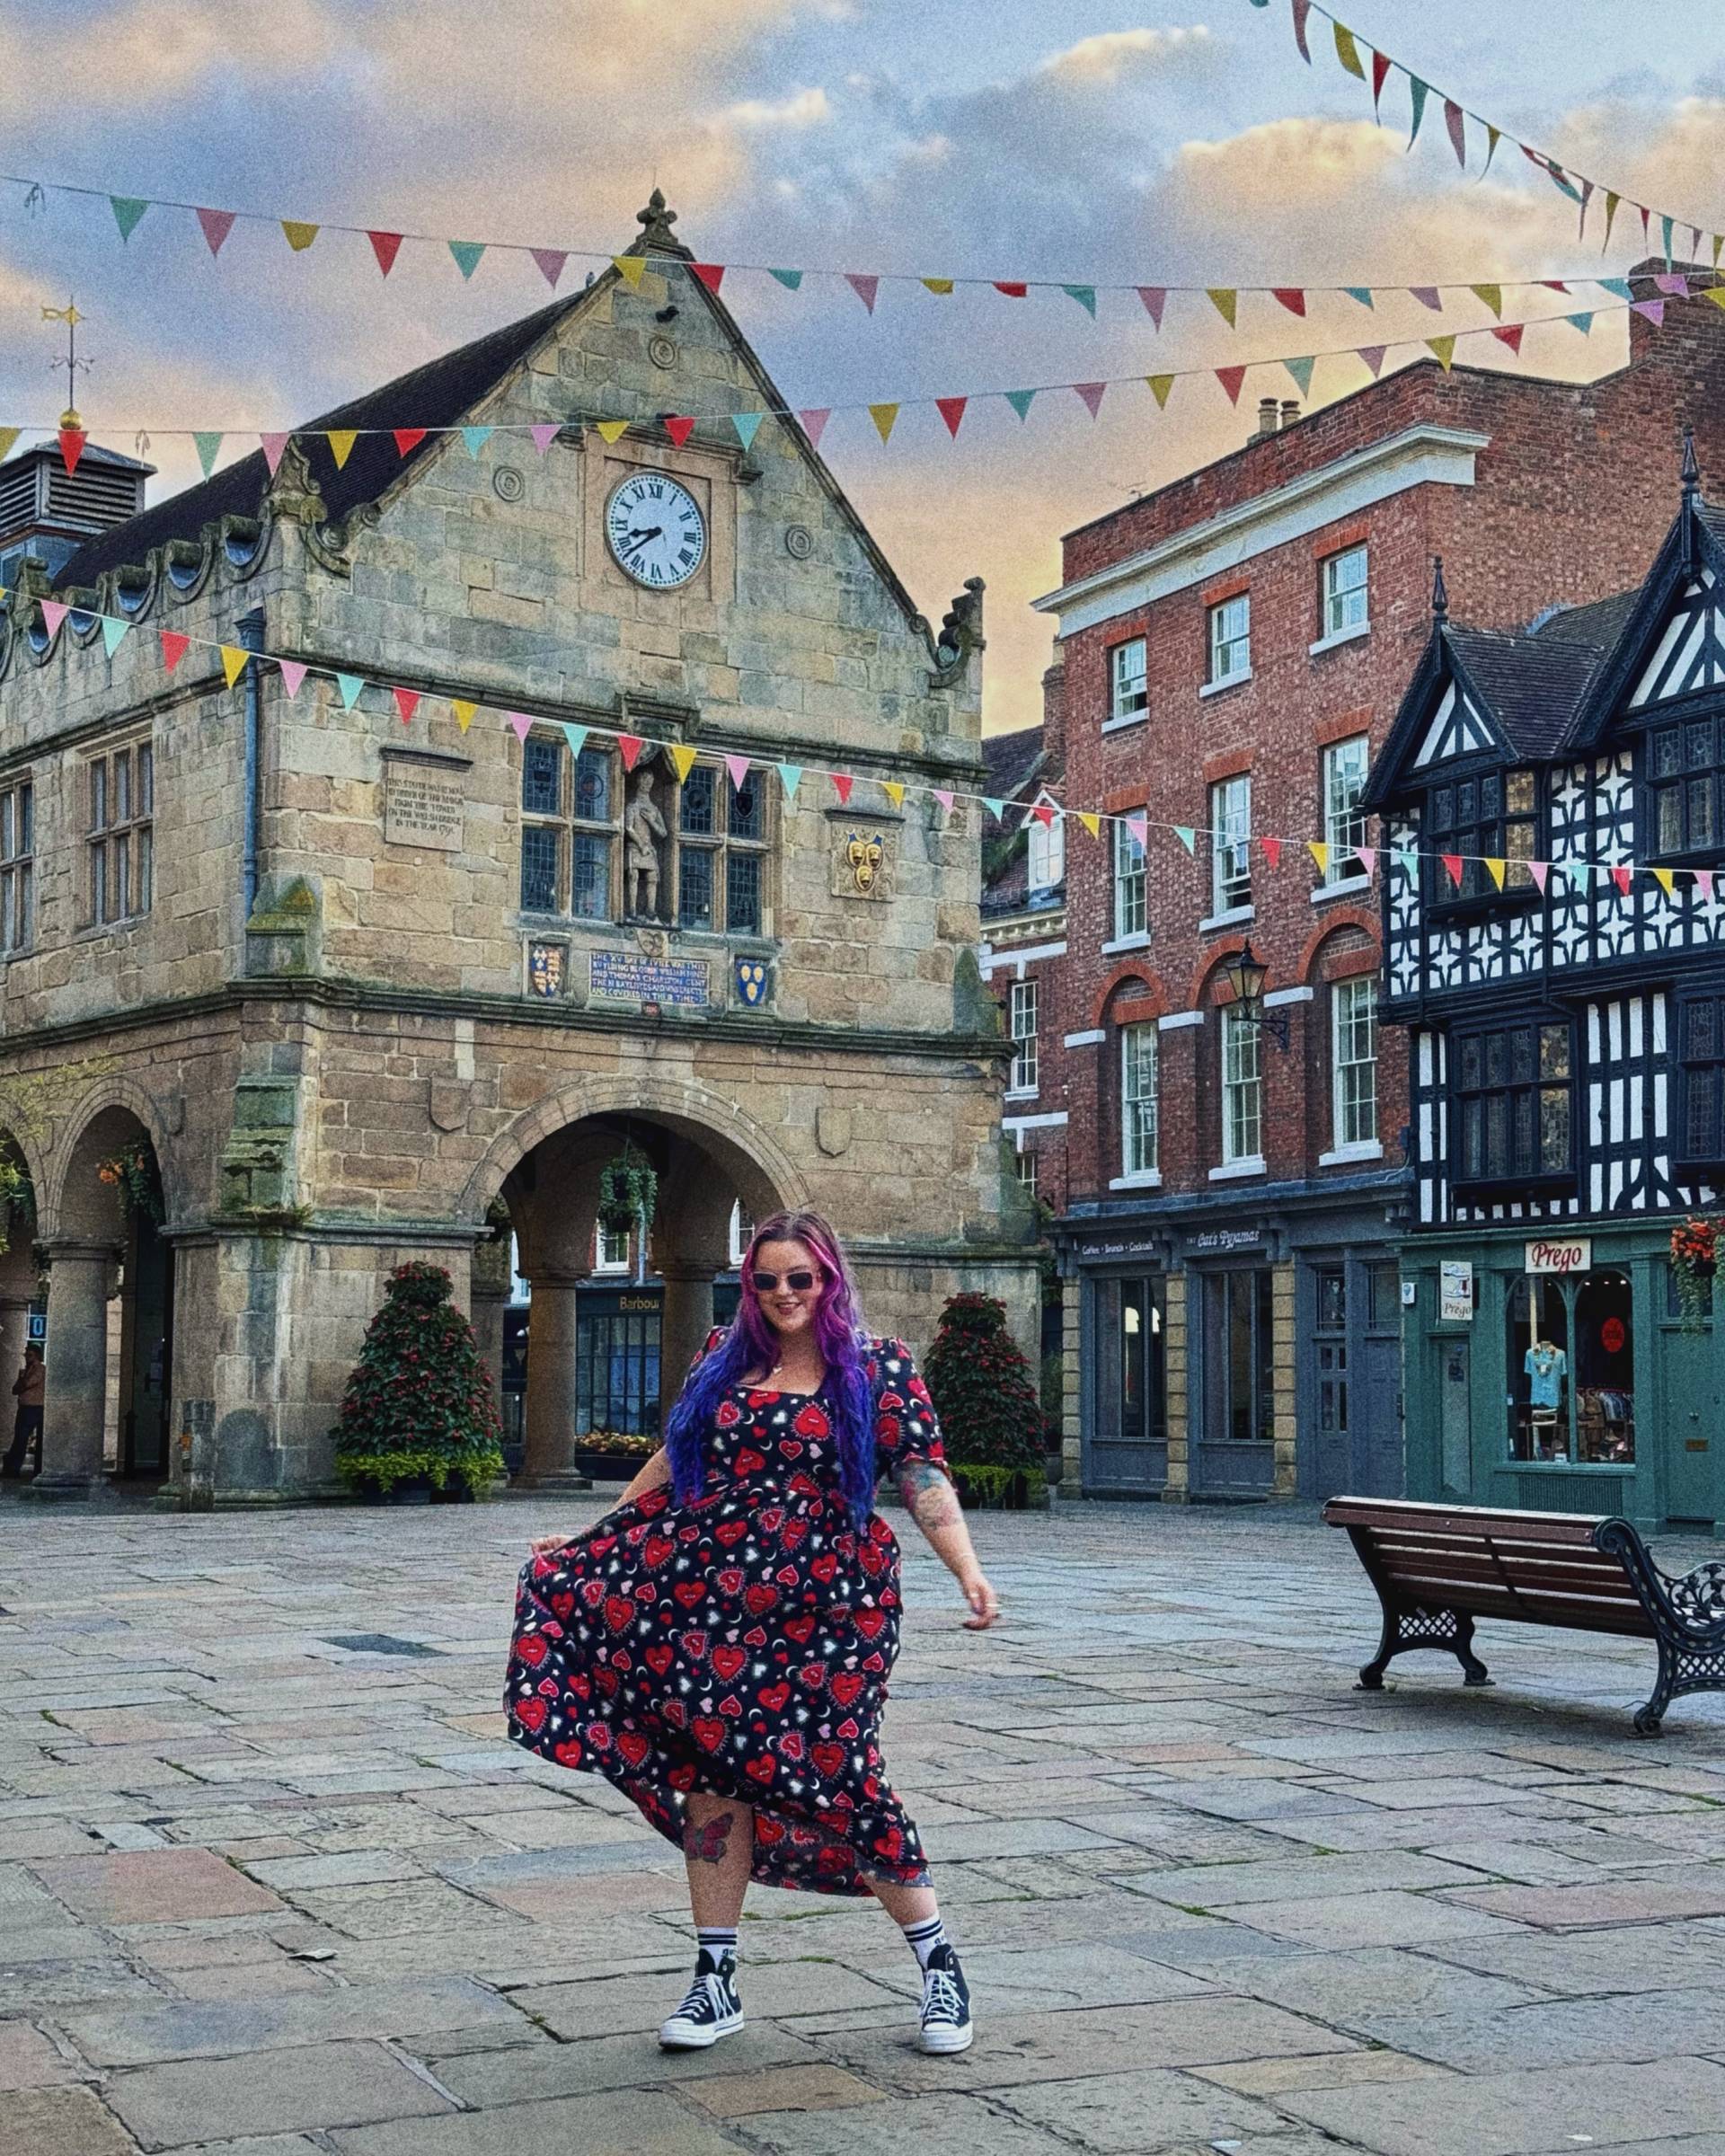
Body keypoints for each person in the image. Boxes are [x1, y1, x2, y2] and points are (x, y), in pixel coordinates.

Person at [505, 1208, 1000, 2056]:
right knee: (713, 1773)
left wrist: (966, 1566)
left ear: (829, 1279)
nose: (782, 1295)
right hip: (712, 1599)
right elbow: (673, 1460)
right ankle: (715, 1981)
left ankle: (938, 1963)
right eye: (766, 1280)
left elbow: (921, 1472)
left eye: (799, 1279)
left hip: (833, 1606)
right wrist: (592, 1539)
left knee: (844, 1775)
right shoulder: (723, 1359)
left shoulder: (880, 1368)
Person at [2, 1342, 44, 1480]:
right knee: (19, 1438)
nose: (27, 1357)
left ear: (37, 1355)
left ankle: (31, 1468)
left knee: (24, 1438)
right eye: (26, 1354)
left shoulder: (40, 1370)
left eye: (30, 1355)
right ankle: (12, 1467)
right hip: (24, 1406)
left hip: (35, 1407)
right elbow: (15, 1389)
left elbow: (27, 1384)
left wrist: (22, 1381)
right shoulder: (25, 1371)